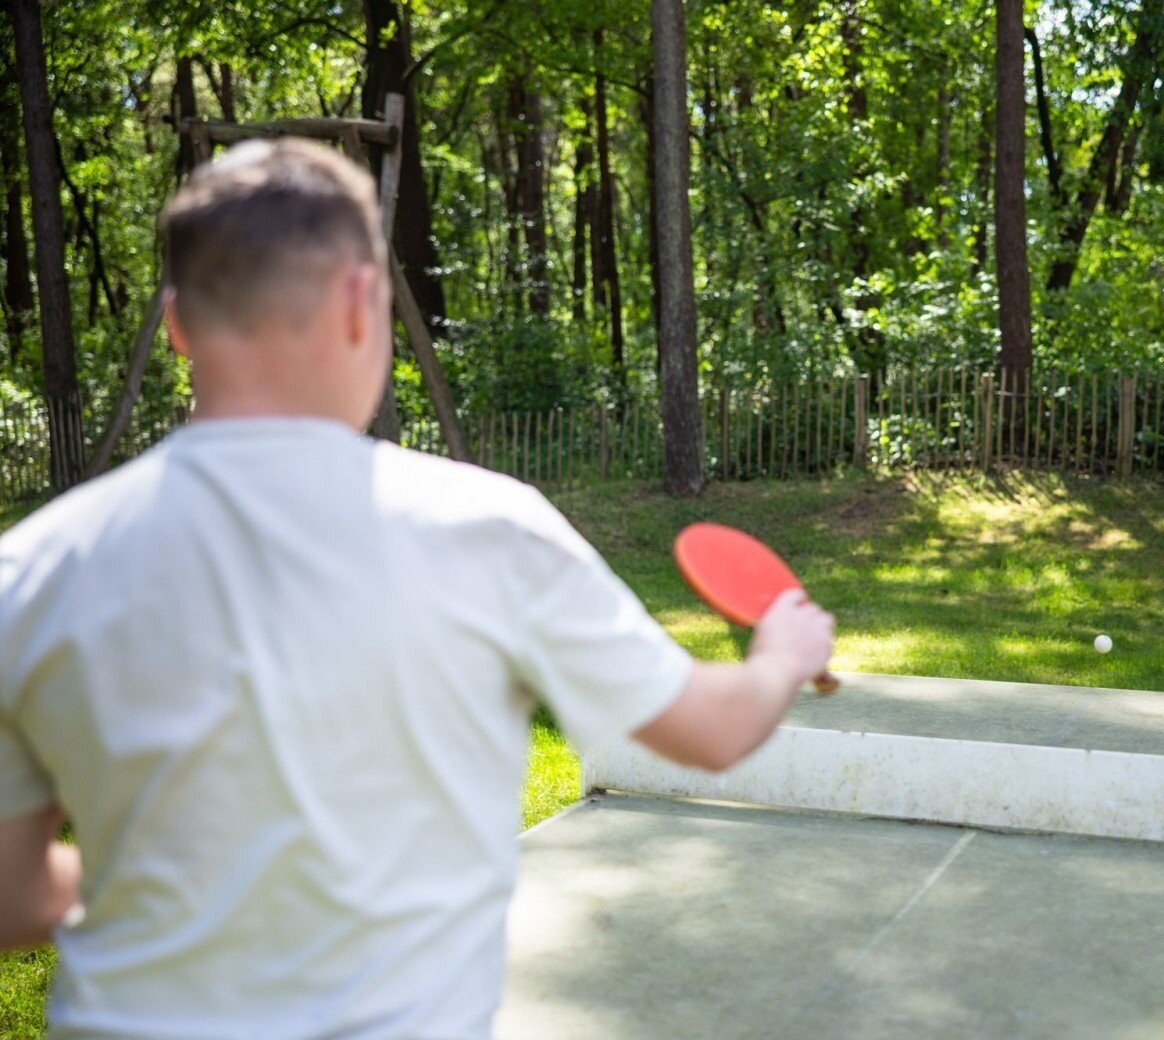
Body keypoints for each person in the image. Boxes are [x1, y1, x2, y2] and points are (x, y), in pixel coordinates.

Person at [0, 138, 834, 1037]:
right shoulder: (489, 529)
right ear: (360, 303)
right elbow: (711, 730)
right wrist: (782, 655)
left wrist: (172, 887)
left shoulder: (34, 568)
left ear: (175, 324)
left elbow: (11, 900)